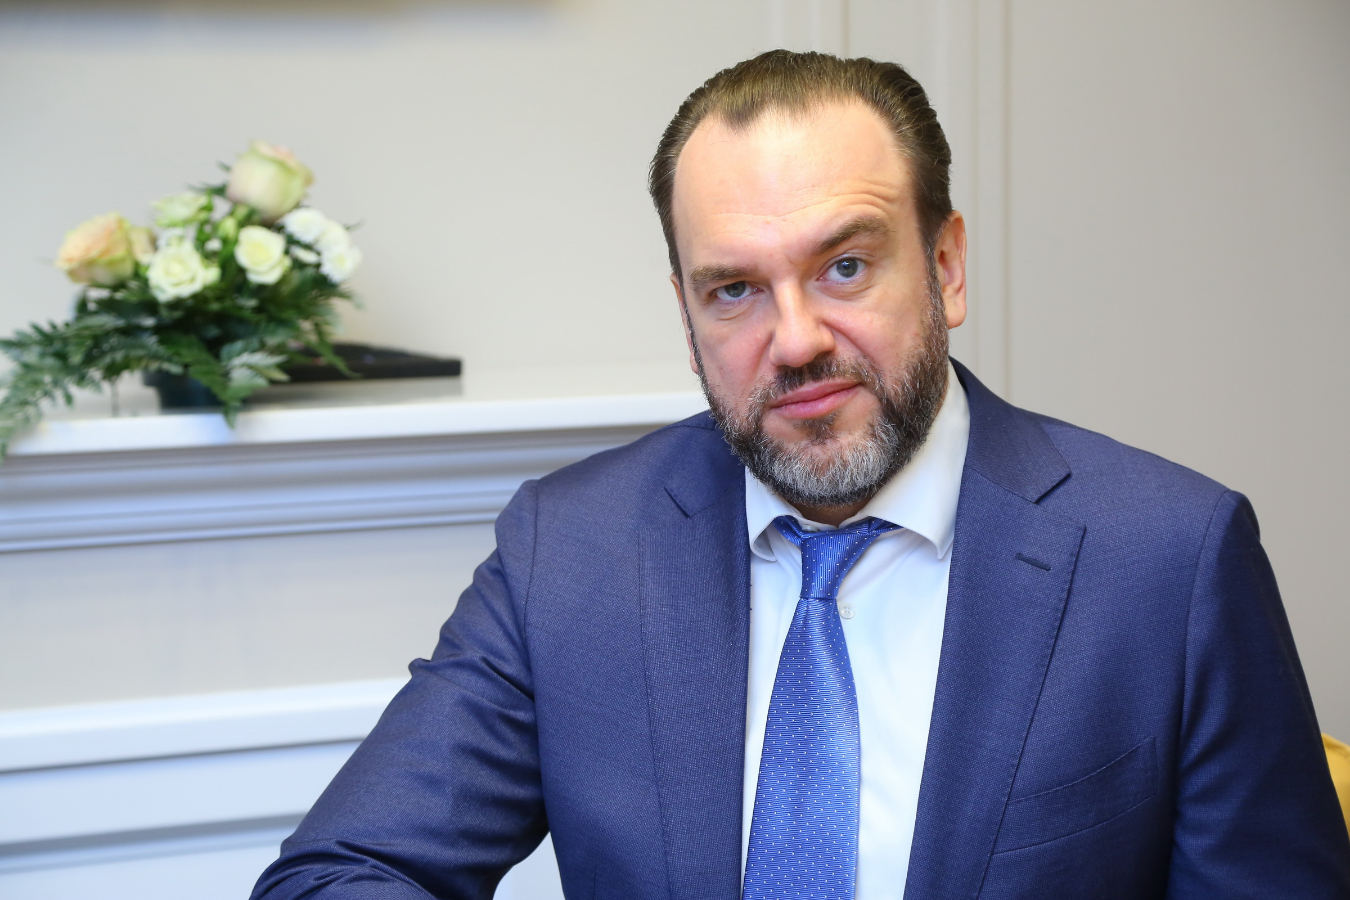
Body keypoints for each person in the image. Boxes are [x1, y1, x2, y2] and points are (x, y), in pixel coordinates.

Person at [252, 51, 1350, 899]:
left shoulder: (1168, 560)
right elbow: (342, 871)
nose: (793, 340)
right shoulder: (569, 551)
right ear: (686, 313)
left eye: (845, 266)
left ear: (947, 267)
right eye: (733, 290)